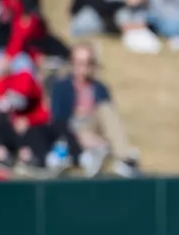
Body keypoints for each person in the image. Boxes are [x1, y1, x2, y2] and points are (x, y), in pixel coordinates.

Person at [48, 42, 141, 177]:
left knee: (105, 109)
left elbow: (110, 119)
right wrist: (78, 136)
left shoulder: (100, 88)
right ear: (72, 63)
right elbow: (57, 119)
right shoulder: (61, 87)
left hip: (95, 129)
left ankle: (124, 158)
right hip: (72, 130)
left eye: (89, 62)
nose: (84, 67)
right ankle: (101, 156)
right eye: (80, 62)